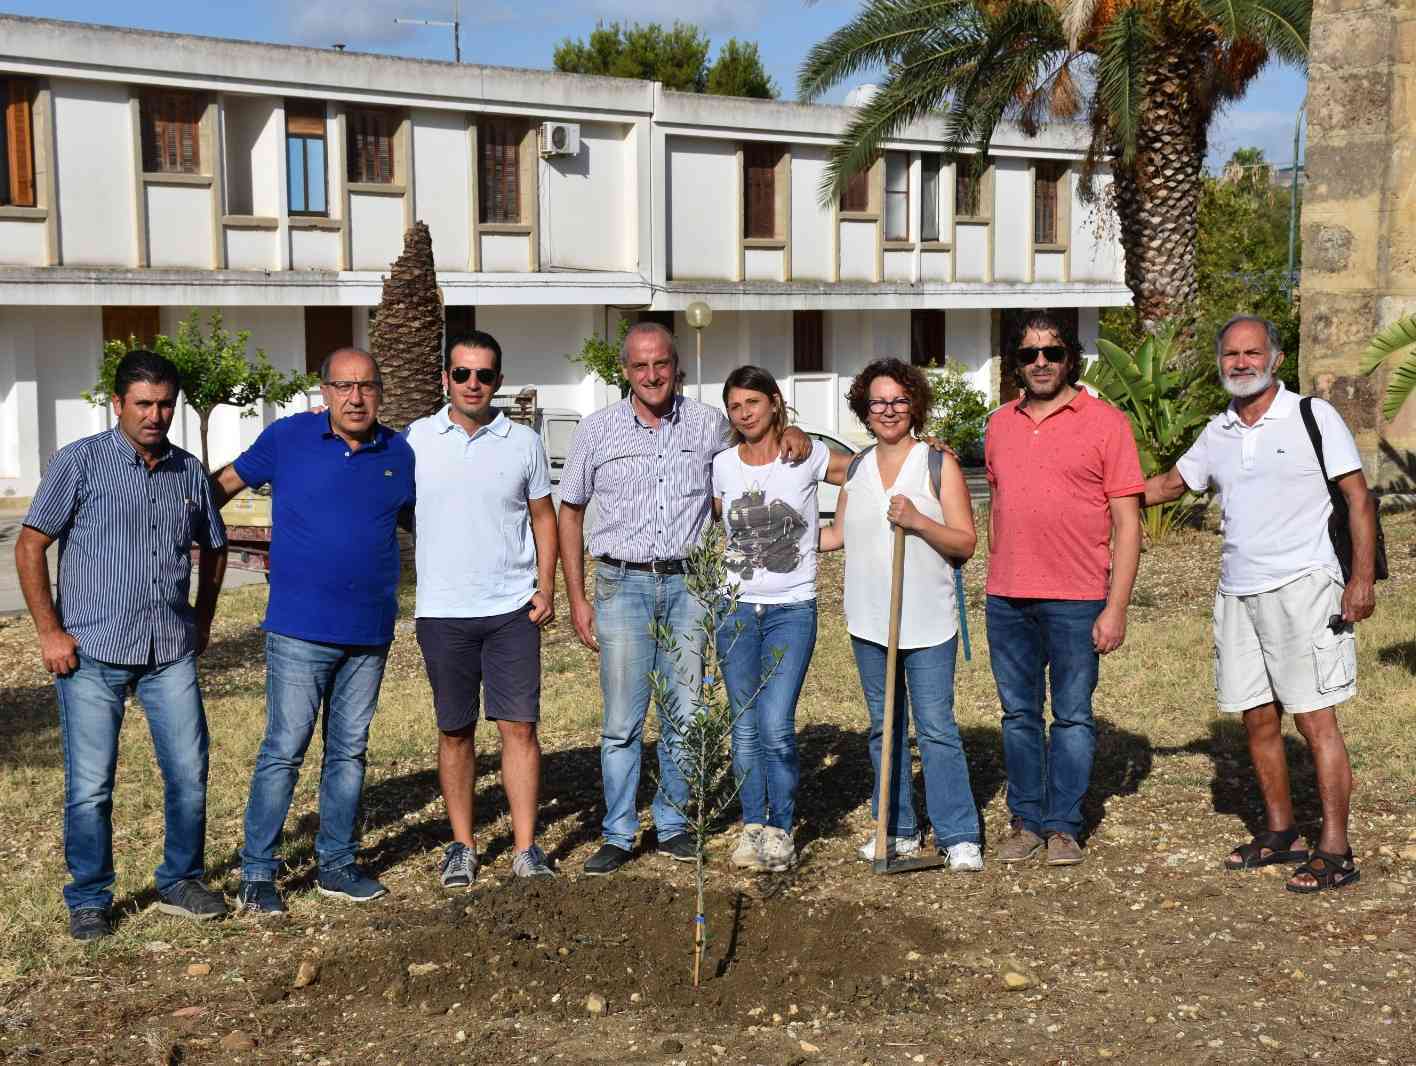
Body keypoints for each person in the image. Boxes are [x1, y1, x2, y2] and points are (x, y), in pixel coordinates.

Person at [557, 321, 811, 876]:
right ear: (624, 371)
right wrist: (577, 597)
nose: (652, 375)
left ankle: (672, 823)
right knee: (623, 720)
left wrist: (797, 435)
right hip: (621, 584)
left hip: (690, 584)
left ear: (678, 368)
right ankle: (620, 832)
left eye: (662, 364)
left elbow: (758, 450)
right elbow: (569, 511)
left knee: (684, 710)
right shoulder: (597, 430)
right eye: (640, 366)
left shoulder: (708, 425)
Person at [1145, 315, 1376, 893]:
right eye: (1230, 354)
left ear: (1274, 358)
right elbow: (1169, 485)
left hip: (1305, 586)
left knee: (1315, 719)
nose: (1240, 363)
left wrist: (1362, 581)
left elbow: (1359, 499)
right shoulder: (1218, 429)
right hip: (1237, 592)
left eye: (1252, 353)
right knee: (1256, 715)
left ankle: (1335, 849)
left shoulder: (1311, 416)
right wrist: (1083, 481)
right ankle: (1281, 832)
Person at [15, 350, 229, 941]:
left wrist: (202, 619)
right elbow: (31, 545)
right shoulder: (78, 464)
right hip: (90, 654)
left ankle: (181, 879)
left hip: (169, 652)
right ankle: (89, 897)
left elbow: (214, 548)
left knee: (188, 771)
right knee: (90, 786)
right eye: (143, 404)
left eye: (165, 404)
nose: (155, 415)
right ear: (118, 404)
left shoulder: (188, 471)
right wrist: (49, 631)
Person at [210, 348, 415, 913]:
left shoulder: (399, 451)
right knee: (284, 749)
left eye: (366, 386)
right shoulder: (288, 438)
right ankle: (257, 874)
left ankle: (337, 863)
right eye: (343, 386)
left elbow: (427, 522)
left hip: (368, 632)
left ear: (379, 391)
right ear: (323, 391)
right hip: (299, 630)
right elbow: (222, 484)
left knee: (349, 752)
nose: (355, 398)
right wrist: (177, 529)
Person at [985, 311, 1143, 867]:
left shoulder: (1106, 423)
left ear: (1070, 356)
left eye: (1051, 352)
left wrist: (1115, 605)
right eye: (1029, 355)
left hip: (1077, 598)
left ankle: (1064, 826)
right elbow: (1000, 506)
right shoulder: (998, 424)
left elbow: (1129, 523)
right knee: (1018, 715)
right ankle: (1027, 819)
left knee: (1073, 715)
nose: (1041, 363)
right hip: (1006, 596)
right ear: (1017, 363)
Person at [404, 330, 558, 885]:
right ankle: (462, 846)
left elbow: (544, 517)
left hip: (512, 610)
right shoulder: (416, 439)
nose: (474, 384)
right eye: (463, 374)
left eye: (485, 375)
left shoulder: (523, 443)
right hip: (443, 612)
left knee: (519, 728)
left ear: (498, 380)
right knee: (455, 731)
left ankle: (525, 848)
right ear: (446, 378)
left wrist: (547, 588)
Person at [819, 358, 982, 871]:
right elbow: (836, 536)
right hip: (869, 620)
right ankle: (898, 829)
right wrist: (769, 537)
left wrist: (917, 521)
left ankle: (958, 835)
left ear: (915, 405)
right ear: (864, 410)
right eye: (878, 402)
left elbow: (966, 542)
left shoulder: (937, 463)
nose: (888, 411)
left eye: (899, 401)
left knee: (935, 728)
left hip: (928, 620)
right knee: (882, 728)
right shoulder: (860, 466)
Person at [712, 365, 846, 873]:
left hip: (792, 608)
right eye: (735, 407)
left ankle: (781, 826)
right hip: (736, 609)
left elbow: (860, 474)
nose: (744, 414)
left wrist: (835, 533)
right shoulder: (723, 464)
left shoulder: (804, 453)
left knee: (775, 724)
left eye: (752, 403)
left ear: (773, 402)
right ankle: (752, 826)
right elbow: (718, 523)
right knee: (744, 724)